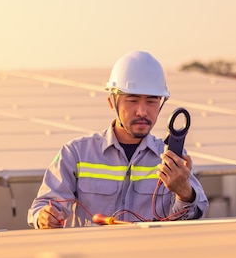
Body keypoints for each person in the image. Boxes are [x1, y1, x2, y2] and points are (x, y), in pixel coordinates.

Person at [28, 51, 209, 228]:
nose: (142, 111)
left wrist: (185, 194)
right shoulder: (75, 153)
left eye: (152, 101)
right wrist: (45, 217)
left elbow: (195, 215)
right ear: (111, 102)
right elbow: (42, 207)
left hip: (150, 257)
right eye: (132, 100)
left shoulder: (173, 159)